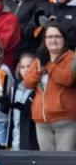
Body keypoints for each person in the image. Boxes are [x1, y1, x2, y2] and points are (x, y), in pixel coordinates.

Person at [22, 21, 76, 151]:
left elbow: (68, 79)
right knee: (48, 164)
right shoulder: (41, 58)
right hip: (41, 121)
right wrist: (39, 70)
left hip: (65, 119)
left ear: (64, 39)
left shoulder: (71, 58)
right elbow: (28, 83)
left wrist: (49, 65)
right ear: (44, 40)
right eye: (50, 37)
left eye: (57, 36)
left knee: (64, 163)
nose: (53, 40)